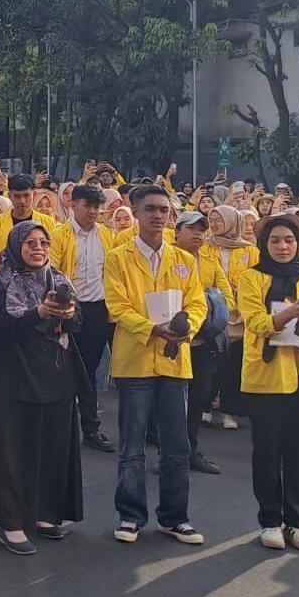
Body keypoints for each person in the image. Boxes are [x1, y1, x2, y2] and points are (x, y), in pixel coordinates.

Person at [102, 184, 207, 546]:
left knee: (177, 446)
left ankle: (175, 517)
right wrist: (153, 329)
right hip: (134, 362)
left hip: (175, 362)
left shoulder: (184, 260)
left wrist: (187, 326)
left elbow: (197, 304)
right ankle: (130, 516)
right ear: (135, 212)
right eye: (150, 209)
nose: (158, 216)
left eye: (164, 210)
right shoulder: (118, 257)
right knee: (132, 445)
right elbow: (117, 307)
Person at [0, 220, 85, 555]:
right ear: (15, 246)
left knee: (51, 447)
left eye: (44, 243)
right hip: (12, 377)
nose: (38, 249)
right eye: (30, 243)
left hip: (54, 375)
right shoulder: (1, 281)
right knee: (10, 451)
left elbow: (79, 322)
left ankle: (44, 513)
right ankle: (11, 522)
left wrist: (66, 312)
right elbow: (5, 323)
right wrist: (39, 311)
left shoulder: (60, 280)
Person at [240, 215, 299, 551]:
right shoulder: (252, 277)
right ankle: (269, 519)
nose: (283, 247)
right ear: (265, 244)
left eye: (289, 241)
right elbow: (254, 322)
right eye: (276, 241)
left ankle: (297, 521)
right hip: (267, 378)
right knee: (267, 451)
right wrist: (291, 313)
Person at [56, 182, 117, 453]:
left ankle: (90, 429)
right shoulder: (60, 235)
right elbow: (54, 273)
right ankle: (62, 430)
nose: (93, 212)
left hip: (98, 309)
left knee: (89, 371)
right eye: (87, 206)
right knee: (64, 370)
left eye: (96, 206)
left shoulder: (107, 235)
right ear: (73, 205)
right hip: (70, 308)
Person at [174, 211, 233, 474]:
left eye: (202, 229)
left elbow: (226, 297)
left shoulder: (211, 260)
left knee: (197, 400)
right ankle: (170, 453)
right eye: (191, 228)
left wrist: (209, 312)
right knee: (172, 403)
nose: (198, 233)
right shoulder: (168, 258)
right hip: (174, 342)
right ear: (177, 232)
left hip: (204, 343)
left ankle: (190, 451)